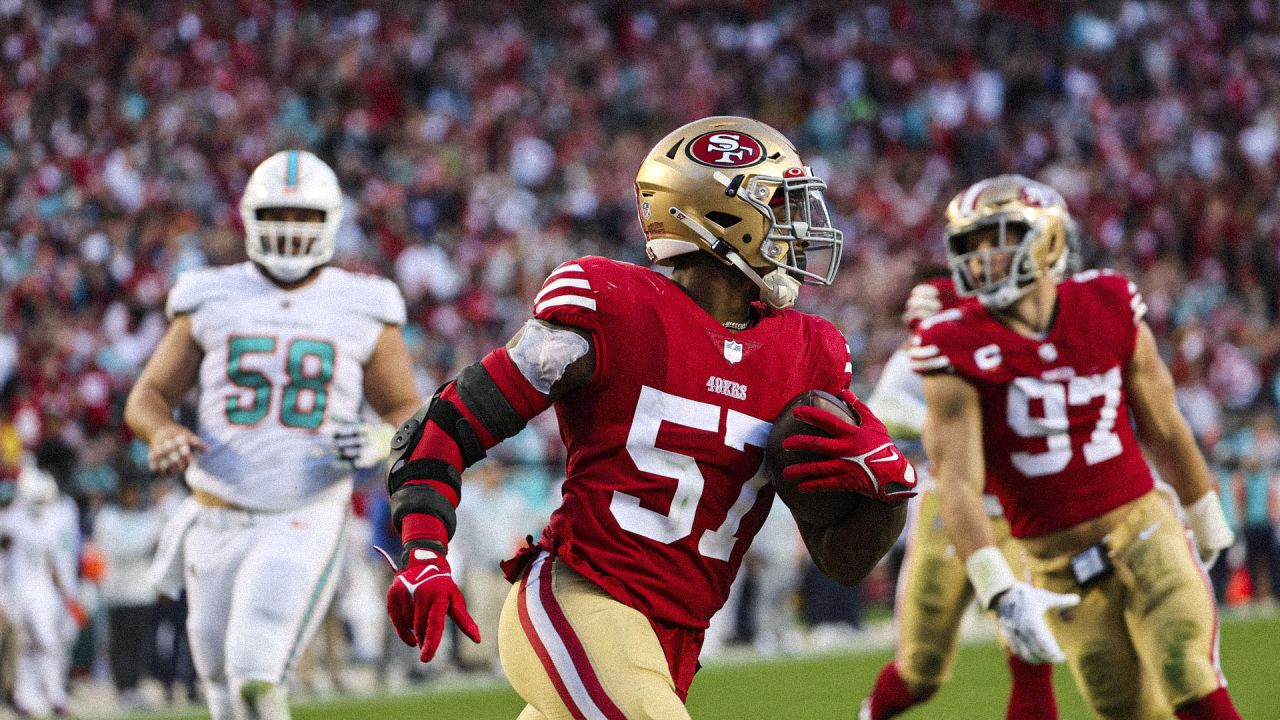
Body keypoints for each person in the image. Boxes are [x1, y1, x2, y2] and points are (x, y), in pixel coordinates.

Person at [381, 116, 918, 718]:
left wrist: (888, 493)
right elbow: (440, 430)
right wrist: (424, 554)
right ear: (721, 218)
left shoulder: (811, 353)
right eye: (781, 207)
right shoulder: (613, 308)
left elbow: (843, 563)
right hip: (579, 595)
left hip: (676, 640)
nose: (798, 230)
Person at [914, 174, 1242, 719]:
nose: (983, 258)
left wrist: (1204, 512)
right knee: (1127, 710)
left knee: (1187, 668)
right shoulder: (951, 345)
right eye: (973, 245)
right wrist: (999, 587)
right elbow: (958, 485)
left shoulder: (1107, 302)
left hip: (1144, 528)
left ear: (1047, 239)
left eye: (1000, 239)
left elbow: (1163, 424)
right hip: (1056, 565)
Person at [125, 150, 422, 720]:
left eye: (306, 216)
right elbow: (147, 395)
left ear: (330, 220)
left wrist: (387, 439)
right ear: (250, 218)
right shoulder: (209, 294)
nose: (290, 229)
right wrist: (161, 430)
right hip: (213, 512)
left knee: (256, 671)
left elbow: (407, 406)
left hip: (304, 510)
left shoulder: (363, 302)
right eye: (278, 214)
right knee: (218, 683)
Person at [860, 270, 1057, 720]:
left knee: (1030, 653)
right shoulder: (919, 355)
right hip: (946, 511)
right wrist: (946, 428)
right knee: (919, 671)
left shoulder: (1014, 341)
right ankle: (870, 713)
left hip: (1016, 513)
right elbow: (884, 411)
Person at [6, 464, 84, 718]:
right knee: (23, 645)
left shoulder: (54, 519)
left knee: (49, 642)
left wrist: (67, 594)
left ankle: (54, 693)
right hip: (16, 586)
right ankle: (26, 695)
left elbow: (56, 561)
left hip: (43, 588)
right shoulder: (10, 519)